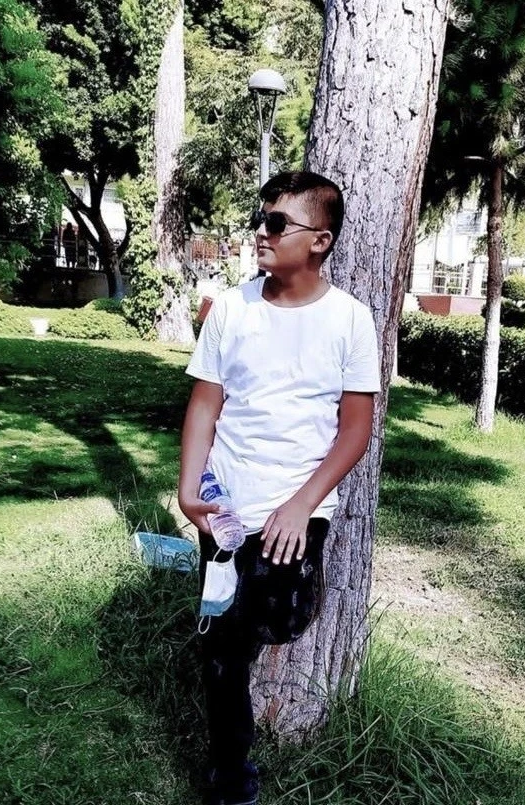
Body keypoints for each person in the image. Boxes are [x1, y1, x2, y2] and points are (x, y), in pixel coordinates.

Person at [178, 171, 380, 805]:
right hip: (226, 505)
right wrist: (189, 490)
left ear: (320, 240)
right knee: (221, 647)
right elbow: (205, 404)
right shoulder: (231, 308)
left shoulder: (350, 320)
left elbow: (356, 428)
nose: (261, 234)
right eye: (259, 220)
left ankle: (291, 591)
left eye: (276, 223)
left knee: (278, 619)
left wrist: (300, 506)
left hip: (298, 508)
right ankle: (231, 774)